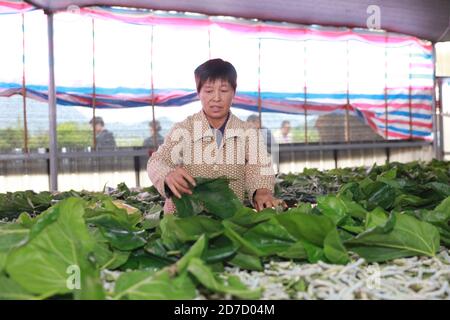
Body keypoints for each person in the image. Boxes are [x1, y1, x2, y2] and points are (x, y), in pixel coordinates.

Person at [147, 58, 286, 214]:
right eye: (208, 90)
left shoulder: (248, 132)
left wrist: (262, 192)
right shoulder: (184, 129)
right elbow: (158, 160)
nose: (217, 98)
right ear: (198, 92)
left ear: (234, 92)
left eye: (224, 90)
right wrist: (167, 175)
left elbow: (259, 167)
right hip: (184, 220)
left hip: (228, 220)